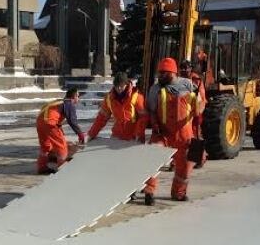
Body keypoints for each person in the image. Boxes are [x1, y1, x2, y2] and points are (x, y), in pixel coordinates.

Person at [142, 57, 200, 205]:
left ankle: (179, 193)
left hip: (184, 135)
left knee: (184, 168)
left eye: (162, 74)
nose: (159, 77)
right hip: (163, 133)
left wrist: (199, 114)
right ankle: (149, 191)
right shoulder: (155, 89)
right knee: (152, 158)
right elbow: (151, 111)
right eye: (159, 73)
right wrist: (154, 125)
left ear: (172, 73)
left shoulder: (188, 85)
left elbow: (199, 103)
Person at [36, 87, 86, 175]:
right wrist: (80, 134)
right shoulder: (69, 103)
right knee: (61, 147)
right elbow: (72, 121)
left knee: (45, 146)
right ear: (74, 96)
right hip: (50, 123)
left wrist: (60, 133)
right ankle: (62, 171)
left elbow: (56, 120)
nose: (78, 99)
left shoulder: (59, 102)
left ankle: (42, 168)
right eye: (78, 96)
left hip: (40, 122)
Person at [87, 72, 147, 142]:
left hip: (133, 138)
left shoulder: (136, 96)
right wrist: (91, 134)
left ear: (126, 84)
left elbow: (143, 117)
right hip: (116, 137)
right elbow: (101, 118)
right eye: (116, 86)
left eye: (121, 86)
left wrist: (139, 134)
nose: (118, 88)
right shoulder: (109, 98)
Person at [179, 59, 208, 168]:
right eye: (182, 68)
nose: (184, 70)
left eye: (186, 68)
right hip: (183, 112)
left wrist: (198, 112)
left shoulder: (196, 80)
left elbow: (201, 97)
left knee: (195, 136)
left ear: (190, 69)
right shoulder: (178, 80)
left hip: (194, 111)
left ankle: (200, 159)